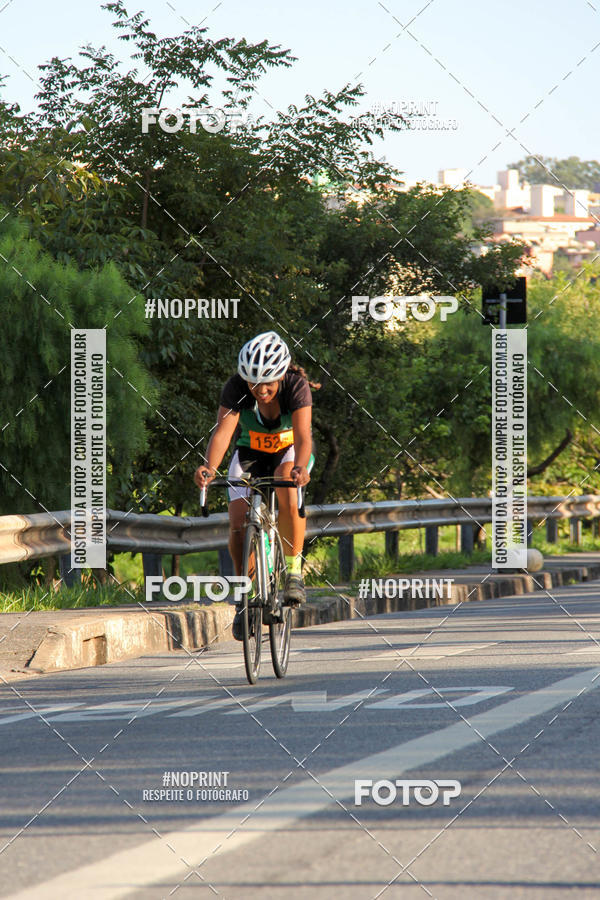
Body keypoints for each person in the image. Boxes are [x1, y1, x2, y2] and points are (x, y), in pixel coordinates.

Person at [194, 331, 318, 640]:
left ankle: (292, 573)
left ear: (280, 377)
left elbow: (304, 436)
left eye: (267, 384)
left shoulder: (295, 386)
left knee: (289, 488)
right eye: (253, 383)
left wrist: (302, 467)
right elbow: (223, 433)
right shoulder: (236, 388)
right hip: (250, 453)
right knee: (237, 523)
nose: (260, 390)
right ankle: (244, 597)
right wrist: (209, 468)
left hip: (290, 453)